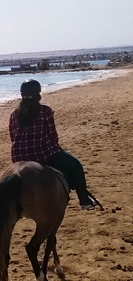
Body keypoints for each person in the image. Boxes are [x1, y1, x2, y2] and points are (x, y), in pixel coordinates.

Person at [9, 79, 96, 210]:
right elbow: (53, 136)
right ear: (38, 94)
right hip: (42, 154)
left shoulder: (14, 115)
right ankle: (84, 201)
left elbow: (12, 136)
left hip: (18, 157)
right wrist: (56, 148)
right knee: (76, 166)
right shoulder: (45, 111)